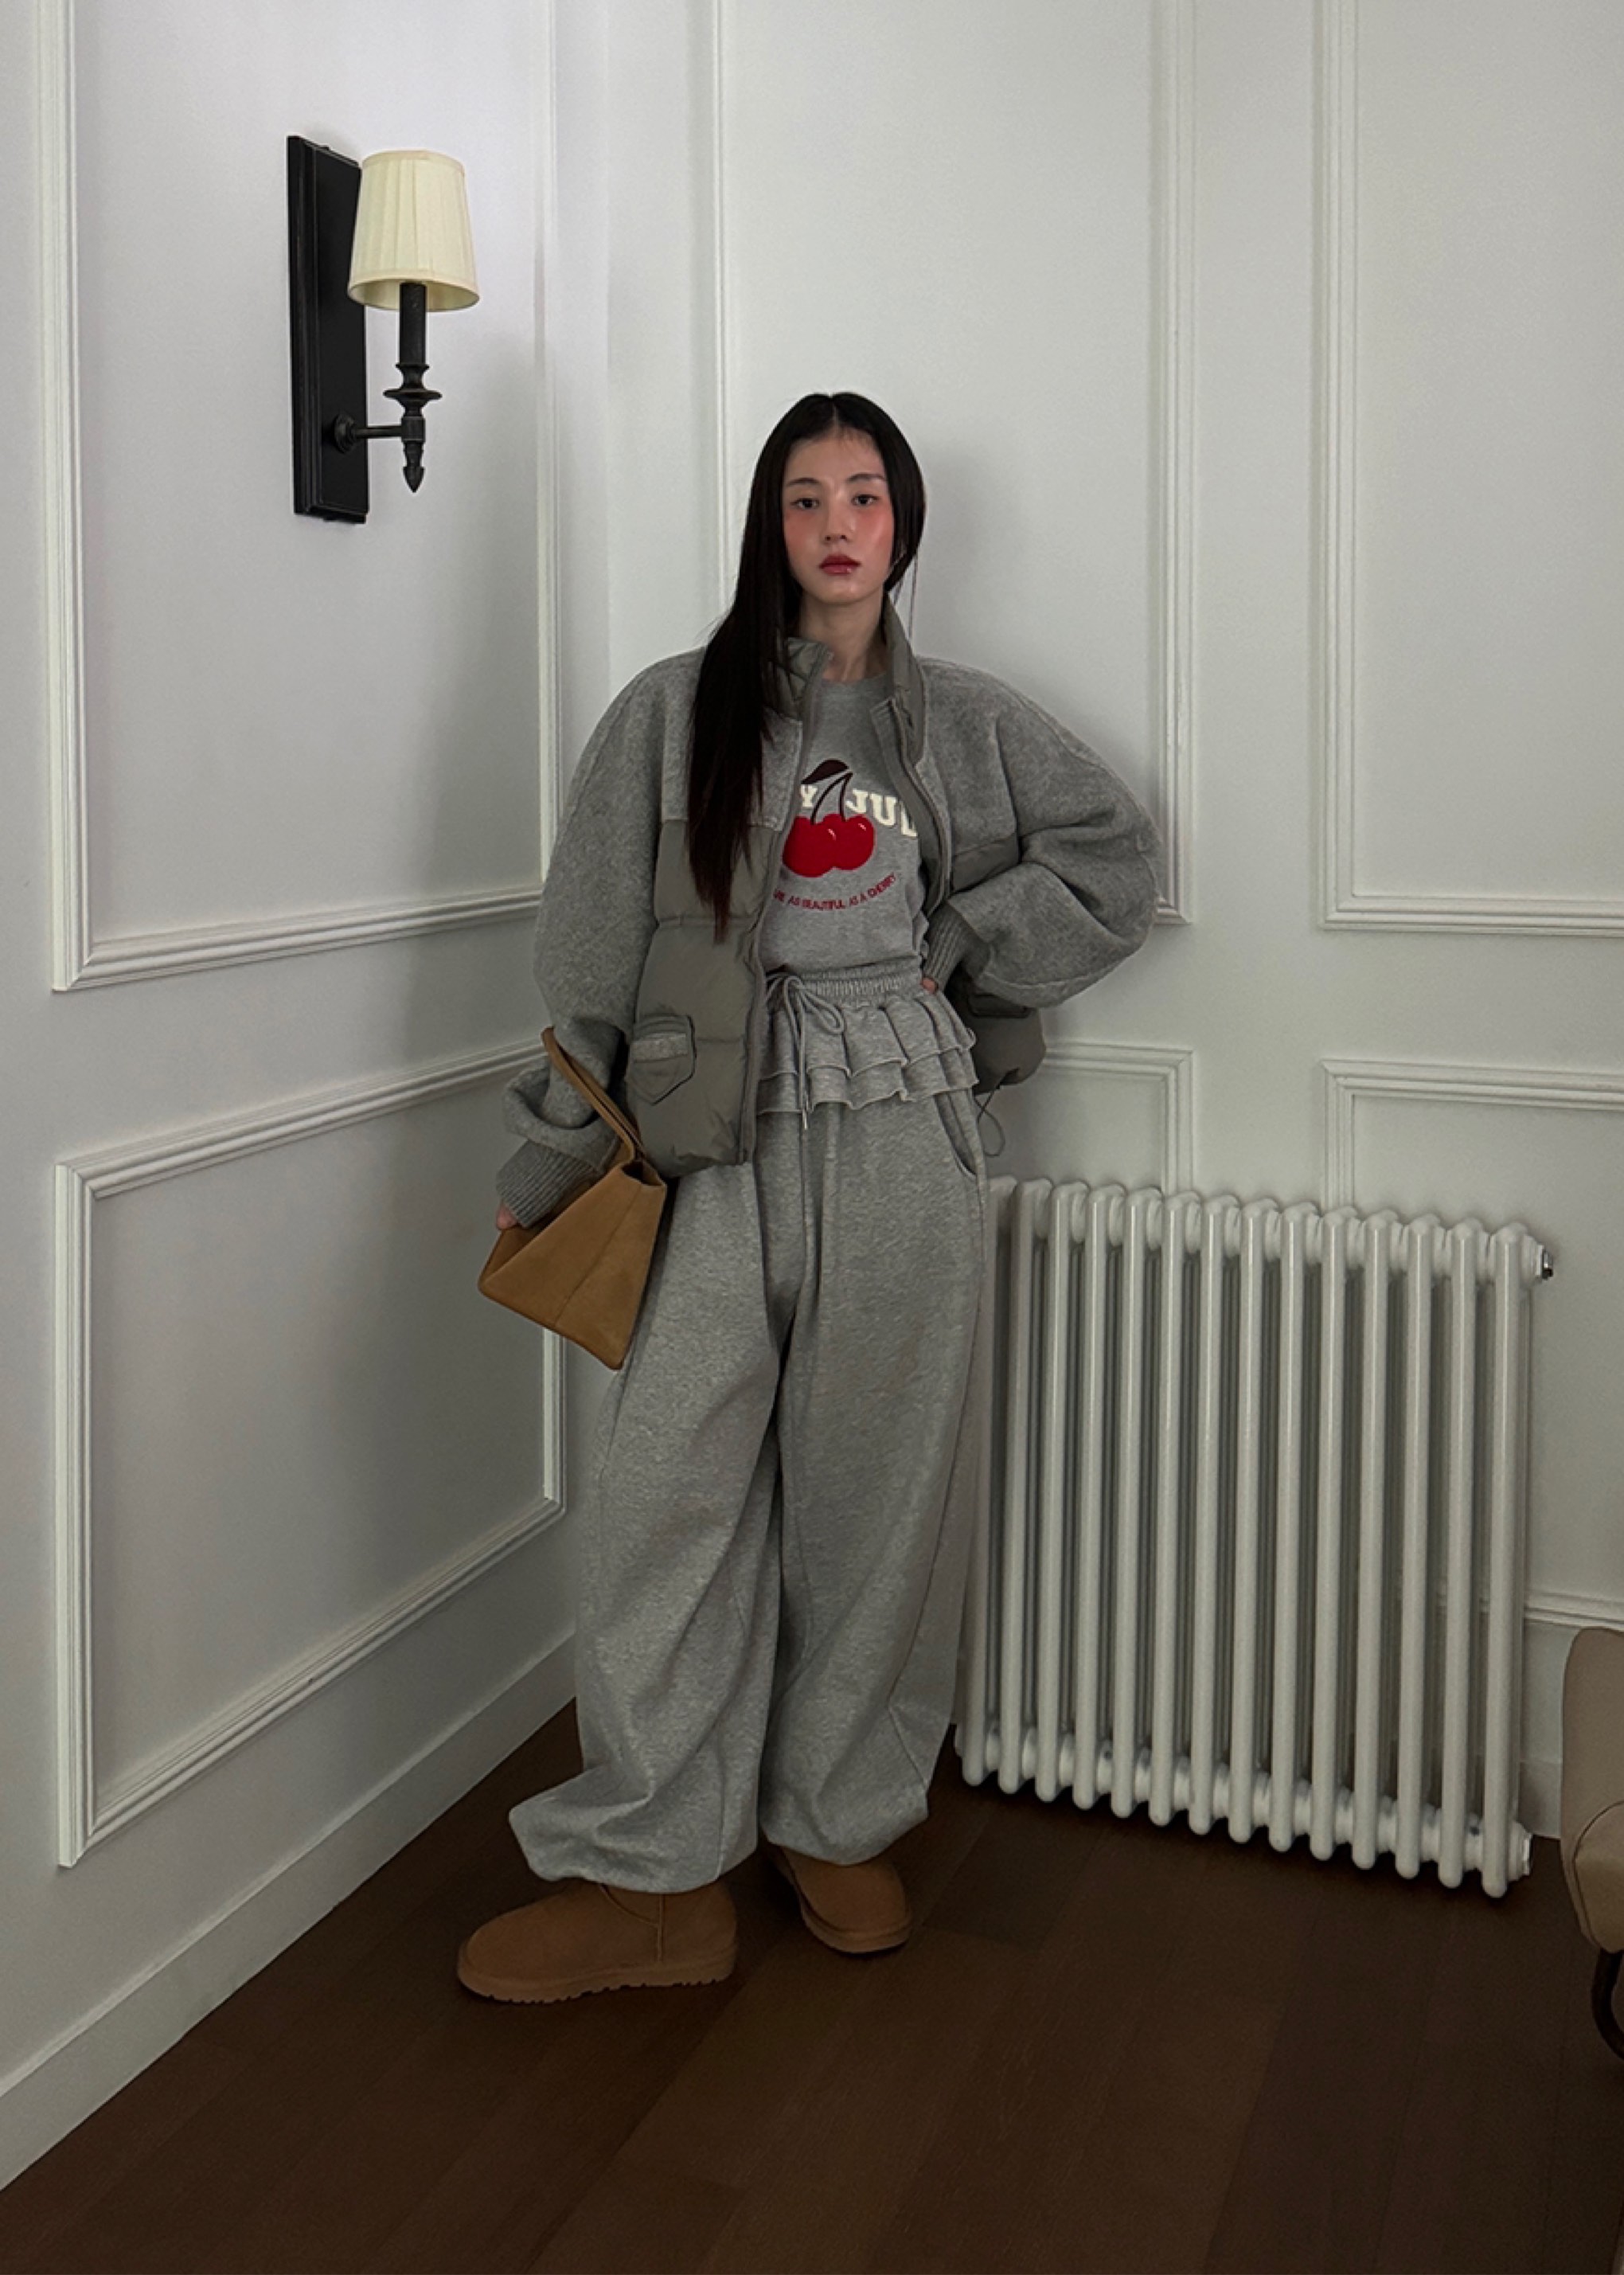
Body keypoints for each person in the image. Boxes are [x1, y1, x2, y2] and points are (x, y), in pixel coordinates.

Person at [456, 392, 1161, 2003]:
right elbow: (587, 960)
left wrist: (965, 935)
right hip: (707, 1146)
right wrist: (548, 1164)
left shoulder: (964, 722)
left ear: (902, 523)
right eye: (803, 496)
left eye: (863, 495)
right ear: (768, 526)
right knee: (665, 1501)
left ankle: (831, 1816)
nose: (836, 525)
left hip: (907, 1126)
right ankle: (655, 1873)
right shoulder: (672, 711)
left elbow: (1115, 859)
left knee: (876, 1495)